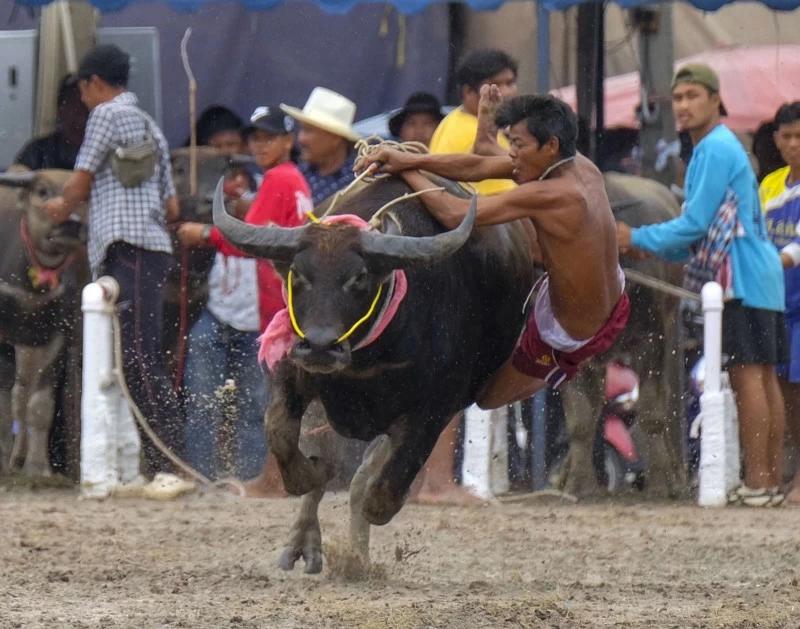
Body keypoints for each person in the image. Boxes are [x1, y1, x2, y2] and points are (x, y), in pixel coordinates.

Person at [357, 94, 628, 408]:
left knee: (486, 399)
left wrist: (406, 171)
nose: (511, 153)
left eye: (518, 145)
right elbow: (482, 162)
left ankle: (560, 367)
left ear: (551, 146)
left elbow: (454, 214)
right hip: (611, 299)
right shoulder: (578, 165)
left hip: (569, 333)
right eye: (509, 142)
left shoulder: (556, 193)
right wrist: (411, 159)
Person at [617, 64, 786, 507]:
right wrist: (649, 248)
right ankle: (766, 480)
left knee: (747, 375)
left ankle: (759, 481)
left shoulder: (712, 149)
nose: (684, 106)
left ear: (716, 102)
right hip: (761, 270)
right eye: (678, 98)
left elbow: (693, 225)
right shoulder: (721, 147)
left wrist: (633, 238)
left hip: (741, 273)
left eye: (693, 96)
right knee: (764, 377)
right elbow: (696, 234)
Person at [43, 44, 187, 485]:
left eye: (82, 89)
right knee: (138, 358)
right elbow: (173, 206)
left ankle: (172, 466)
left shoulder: (104, 116)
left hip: (128, 250)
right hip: (151, 250)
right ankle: (164, 464)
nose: (81, 99)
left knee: (140, 361)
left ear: (94, 83)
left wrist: (59, 205)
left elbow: (81, 179)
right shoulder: (150, 125)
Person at [178, 105, 312, 487]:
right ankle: (250, 475)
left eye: (269, 137)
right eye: (256, 138)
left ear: (288, 141)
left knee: (248, 401)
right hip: (267, 304)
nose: (260, 145)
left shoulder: (278, 180)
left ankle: (245, 478)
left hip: (265, 308)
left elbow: (247, 241)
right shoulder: (292, 179)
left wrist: (203, 233)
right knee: (258, 400)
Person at [759, 101, 800, 504]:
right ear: (776, 140)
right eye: (787, 137)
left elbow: (794, 248)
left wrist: (772, 260)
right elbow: (756, 233)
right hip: (778, 304)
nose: (794, 145)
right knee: (785, 391)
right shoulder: (769, 185)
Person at [429, 49, 518, 195]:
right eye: (496, 85)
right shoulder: (477, 133)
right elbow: (505, 199)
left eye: (510, 83)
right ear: (468, 92)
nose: (507, 92)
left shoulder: (455, 119)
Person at [280, 87, 360, 206]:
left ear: (335, 138)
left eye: (308, 130)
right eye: (301, 129)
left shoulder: (358, 182)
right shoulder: (296, 175)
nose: (301, 138)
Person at [14, 74, 88, 170]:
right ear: (60, 111)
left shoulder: (106, 153)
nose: (80, 116)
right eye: (72, 106)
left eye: (85, 106)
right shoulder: (37, 151)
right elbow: (16, 177)